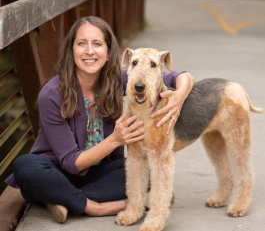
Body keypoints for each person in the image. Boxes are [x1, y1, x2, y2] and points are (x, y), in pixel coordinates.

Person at [5, 16, 194, 223]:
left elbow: (179, 76)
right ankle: (94, 205)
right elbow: (70, 163)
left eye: (97, 44)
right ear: (71, 51)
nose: (89, 51)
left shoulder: (116, 80)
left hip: (100, 172)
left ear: (108, 53)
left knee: (145, 171)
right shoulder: (51, 94)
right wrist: (115, 140)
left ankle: (60, 198)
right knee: (26, 167)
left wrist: (179, 96)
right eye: (81, 44)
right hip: (56, 169)